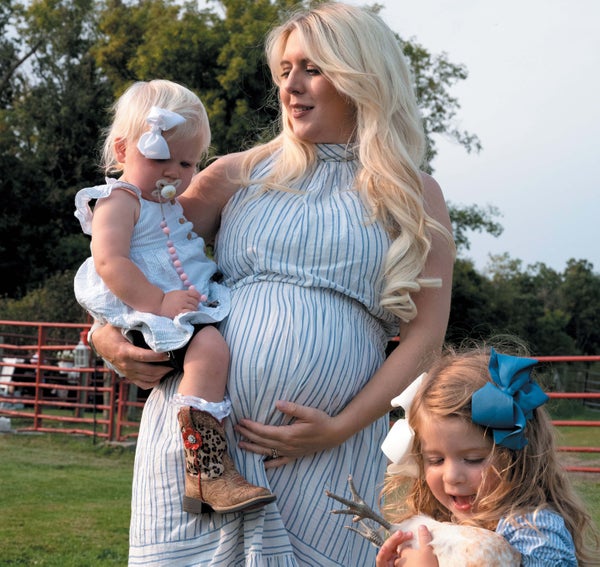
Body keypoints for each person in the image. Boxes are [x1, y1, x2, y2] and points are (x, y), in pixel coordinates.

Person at [91, 3, 455, 565]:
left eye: (311, 67)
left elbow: (427, 335)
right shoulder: (239, 172)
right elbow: (131, 249)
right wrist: (101, 332)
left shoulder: (415, 192)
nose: (291, 86)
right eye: (285, 71)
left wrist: (338, 427)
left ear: (362, 73)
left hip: (328, 450)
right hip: (204, 444)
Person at [74, 79, 275, 514]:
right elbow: (110, 263)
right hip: (148, 312)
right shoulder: (118, 200)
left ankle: (209, 468)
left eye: (187, 163)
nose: (175, 173)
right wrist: (159, 303)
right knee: (208, 348)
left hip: (168, 307)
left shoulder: (165, 206)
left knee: (209, 347)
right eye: (161, 157)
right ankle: (206, 472)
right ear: (124, 150)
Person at [376, 344, 599, 567]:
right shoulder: (442, 522)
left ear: (516, 458)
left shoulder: (535, 534)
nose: (452, 476)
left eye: (473, 459)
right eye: (436, 460)